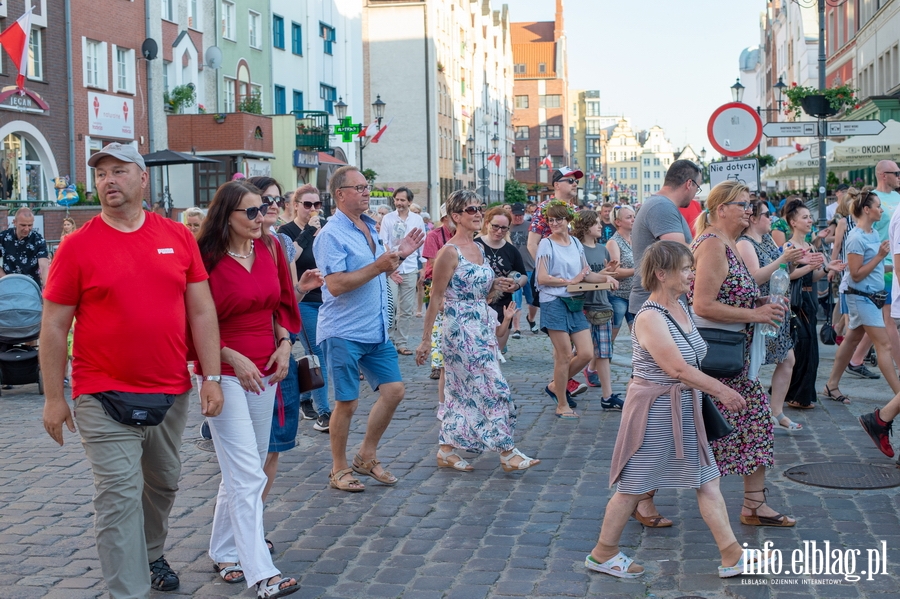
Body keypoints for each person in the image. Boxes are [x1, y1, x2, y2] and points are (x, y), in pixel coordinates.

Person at [40, 142, 225, 598]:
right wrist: (52, 397)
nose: (108, 180)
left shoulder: (178, 237)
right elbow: (54, 324)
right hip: (100, 393)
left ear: (143, 179)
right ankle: (130, 590)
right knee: (119, 497)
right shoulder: (77, 246)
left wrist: (212, 376)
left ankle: (152, 550)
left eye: (119, 171)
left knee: (162, 482)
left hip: (170, 390)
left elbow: (201, 312)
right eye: (101, 173)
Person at [587, 241, 756, 580]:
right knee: (633, 487)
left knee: (708, 481)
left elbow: (692, 360)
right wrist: (722, 391)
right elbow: (677, 368)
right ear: (662, 274)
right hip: (655, 411)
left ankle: (732, 554)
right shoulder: (649, 316)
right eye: (686, 269)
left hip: (684, 406)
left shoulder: (682, 307)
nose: (692, 274)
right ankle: (603, 552)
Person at [195, 180, 302, 598]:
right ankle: (262, 572)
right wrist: (228, 359)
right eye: (253, 211)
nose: (263, 217)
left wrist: (285, 344)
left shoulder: (271, 248)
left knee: (248, 466)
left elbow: (281, 303)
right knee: (245, 473)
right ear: (227, 216)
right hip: (220, 369)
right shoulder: (204, 257)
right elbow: (193, 320)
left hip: (266, 367)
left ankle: (223, 550)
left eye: (266, 208)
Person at [689, 181, 795, 529]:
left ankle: (754, 505)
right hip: (714, 358)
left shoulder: (728, 243)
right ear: (721, 209)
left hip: (734, 357)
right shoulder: (713, 245)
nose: (749, 211)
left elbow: (730, 295)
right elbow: (702, 304)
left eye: (750, 205)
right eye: (743, 205)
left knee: (756, 424)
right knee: (688, 432)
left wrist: (758, 302)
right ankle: (639, 496)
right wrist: (755, 314)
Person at [313, 166, 424, 492]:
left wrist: (399, 254)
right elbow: (334, 285)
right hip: (343, 330)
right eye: (358, 187)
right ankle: (338, 469)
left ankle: (366, 455)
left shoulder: (371, 228)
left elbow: (380, 270)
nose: (366, 192)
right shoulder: (331, 234)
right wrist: (378, 265)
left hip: (375, 329)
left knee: (394, 391)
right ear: (340, 194)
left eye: (367, 187)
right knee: (347, 403)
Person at [415, 190, 539, 472]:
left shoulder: (480, 248)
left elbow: (481, 289)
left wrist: (499, 286)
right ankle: (507, 452)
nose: (477, 213)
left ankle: (446, 449)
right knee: (494, 387)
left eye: (479, 208)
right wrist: (425, 341)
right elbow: (435, 297)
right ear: (455, 216)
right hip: (458, 328)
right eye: (471, 209)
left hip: (481, 325)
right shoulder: (449, 252)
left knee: (459, 391)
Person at [536, 200, 617, 418]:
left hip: (574, 302)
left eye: (558, 219)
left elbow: (587, 273)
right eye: (551, 220)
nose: (554, 223)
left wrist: (606, 277)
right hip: (553, 302)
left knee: (586, 353)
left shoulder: (574, 243)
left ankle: (555, 385)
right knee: (563, 355)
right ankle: (562, 404)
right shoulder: (546, 244)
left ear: (568, 220)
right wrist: (569, 281)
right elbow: (542, 277)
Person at [822, 190, 900, 405]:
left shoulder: (873, 233)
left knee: (851, 340)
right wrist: (880, 257)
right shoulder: (856, 237)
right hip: (861, 297)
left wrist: (890, 265)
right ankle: (898, 395)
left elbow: (872, 268)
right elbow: (856, 274)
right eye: (878, 206)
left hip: (872, 297)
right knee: (884, 345)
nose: (881, 210)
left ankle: (831, 384)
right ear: (867, 210)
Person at [736, 200, 805, 431]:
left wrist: (791, 263)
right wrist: (782, 260)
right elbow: (755, 277)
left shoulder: (766, 240)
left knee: (787, 358)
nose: (772, 219)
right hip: (759, 310)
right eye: (767, 214)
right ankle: (751, 414)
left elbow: (781, 272)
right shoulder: (745, 243)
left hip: (776, 307)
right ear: (754, 218)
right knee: (752, 363)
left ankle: (776, 413)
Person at [527, 166, 590, 398]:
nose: (575, 184)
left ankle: (563, 381)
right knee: (561, 340)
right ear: (556, 185)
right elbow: (532, 243)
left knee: (574, 341)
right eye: (570, 180)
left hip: (574, 284)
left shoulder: (574, 209)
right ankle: (563, 382)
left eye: (576, 181)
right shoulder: (545, 208)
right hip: (554, 283)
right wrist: (548, 272)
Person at [780, 198, 843, 409]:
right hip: (797, 304)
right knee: (802, 349)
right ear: (793, 222)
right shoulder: (789, 247)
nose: (810, 221)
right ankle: (796, 396)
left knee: (811, 351)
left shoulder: (808, 245)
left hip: (809, 300)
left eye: (810, 217)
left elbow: (813, 277)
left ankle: (800, 394)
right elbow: (786, 276)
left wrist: (826, 269)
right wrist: (808, 266)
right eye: (805, 218)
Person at [279, 185, 331, 430]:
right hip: (302, 300)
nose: (312, 209)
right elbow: (291, 258)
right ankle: (325, 413)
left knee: (321, 352)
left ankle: (303, 396)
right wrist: (308, 232)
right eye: (307, 204)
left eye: (317, 205)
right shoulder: (286, 232)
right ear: (295, 205)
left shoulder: (324, 230)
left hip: (327, 299)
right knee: (316, 352)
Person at [628, 160, 699, 315]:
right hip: (656, 306)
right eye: (697, 188)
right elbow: (680, 252)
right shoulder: (661, 206)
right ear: (689, 184)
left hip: (661, 303)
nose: (695, 194)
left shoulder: (661, 204)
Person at [572, 210, 621, 405]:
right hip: (582, 305)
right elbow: (582, 277)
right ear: (585, 226)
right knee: (581, 352)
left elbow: (599, 275)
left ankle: (608, 396)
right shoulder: (577, 248)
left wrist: (608, 272)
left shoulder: (603, 249)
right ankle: (561, 382)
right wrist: (604, 275)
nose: (600, 226)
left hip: (602, 304)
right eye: (595, 223)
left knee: (604, 352)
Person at [380, 187, 426, 356]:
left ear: (409, 202)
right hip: (391, 268)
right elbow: (383, 241)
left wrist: (423, 267)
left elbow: (422, 242)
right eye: (397, 200)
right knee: (390, 306)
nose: (399, 203)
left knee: (406, 309)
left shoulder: (417, 219)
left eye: (402, 200)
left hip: (410, 267)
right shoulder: (387, 218)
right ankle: (389, 341)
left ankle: (402, 342)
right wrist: (390, 263)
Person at [474, 206, 527, 351]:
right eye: (495, 226)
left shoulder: (511, 250)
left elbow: (523, 275)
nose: (499, 231)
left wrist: (516, 286)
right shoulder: (475, 245)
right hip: (479, 304)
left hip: (503, 306)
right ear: (487, 224)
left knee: (496, 352)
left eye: (504, 228)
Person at [422, 203, 454, 387]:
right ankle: (436, 364)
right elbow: (433, 264)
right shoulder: (434, 236)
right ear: (444, 219)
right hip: (435, 283)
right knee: (435, 325)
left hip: (454, 285)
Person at [606, 205, 636, 342]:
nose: (633, 220)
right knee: (611, 334)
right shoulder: (614, 242)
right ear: (618, 222)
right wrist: (638, 271)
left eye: (634, 217)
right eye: (629, 217)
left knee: (638, 335)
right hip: (618, 295)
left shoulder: (635, 239)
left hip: (635, 295)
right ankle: (599, 361)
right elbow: (614, 272)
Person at [0, 206, 50, 287]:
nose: (27, 229)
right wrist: (5, 278)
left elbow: (43, 266)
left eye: (30, 225)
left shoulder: (38, 240)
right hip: (9, 286)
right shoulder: (3, 237)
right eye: (23, 225)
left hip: (31, 288)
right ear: (14, 222)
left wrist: (47, 287)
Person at [509, 203, 539, 335]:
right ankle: (517, 328)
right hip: (514, 270)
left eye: (521, 215)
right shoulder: (506, 228)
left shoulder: (530, 227)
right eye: (516, 215)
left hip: (530, 267)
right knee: (516, 300)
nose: (518, 218)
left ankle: (531, 319)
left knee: (532, 300)